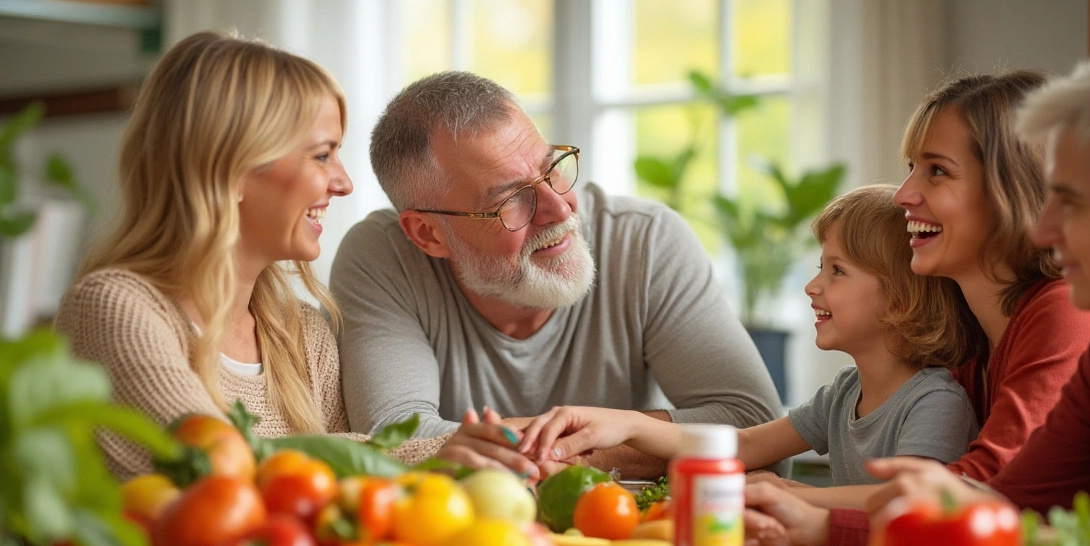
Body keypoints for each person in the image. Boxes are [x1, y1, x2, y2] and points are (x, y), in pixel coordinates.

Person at [55, 31, 512, 479]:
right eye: (321, 155)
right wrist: (437, 452)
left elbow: (350, 499)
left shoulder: (302, 335)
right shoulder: (116, 308)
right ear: (230, 170)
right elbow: (217, 467)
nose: (343, 182)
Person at [330, 71, 783, 479]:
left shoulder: (646, 240)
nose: (560, 206)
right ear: (428, 234)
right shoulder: (380, 258)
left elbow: (758, 433)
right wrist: (637, 438)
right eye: (511, 199)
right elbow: (396, 443)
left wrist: (586, 446)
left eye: (553, 168)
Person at [738, 70, 1090, 546]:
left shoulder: (1063, 315)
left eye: (937, 171)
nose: (903, 193)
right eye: (912, 167)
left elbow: (976, 492)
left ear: (1009, 191)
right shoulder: (972, 340)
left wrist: (814, 506)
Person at [860, 37, 1090, 528]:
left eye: (1073, 201)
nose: (1044, 229)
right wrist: (820, 521)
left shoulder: (1075, 319)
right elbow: (1007, 504)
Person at [520, 185, 980, 482]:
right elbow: (741, 444)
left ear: (900, 298)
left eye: (837, 271)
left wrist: (797, 497)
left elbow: (913, 504)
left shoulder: (935, 403)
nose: (812, 286)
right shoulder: (843, 395)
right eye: (821, 267)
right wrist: (625, 424)